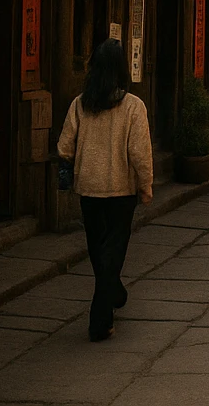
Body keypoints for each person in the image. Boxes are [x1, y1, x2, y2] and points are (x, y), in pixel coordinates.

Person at [58, 38, 154, 342]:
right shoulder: (133, 107)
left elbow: (64, 146)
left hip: (89, 188)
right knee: (113, 249)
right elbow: (140, 152)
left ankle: (114, 291)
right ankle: (100, 319)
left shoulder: (80, 104)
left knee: (98, 249)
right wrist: (146, 184)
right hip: (121, 191)